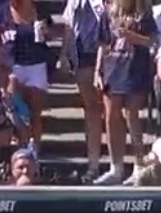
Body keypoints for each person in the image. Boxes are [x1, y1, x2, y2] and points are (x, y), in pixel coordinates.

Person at [93, 0, 157, 185]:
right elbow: (103, 44)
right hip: (112, 67)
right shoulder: (109, 12)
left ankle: (139, 164)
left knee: (132, 114)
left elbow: (152, 40)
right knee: (111, 116)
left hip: (135, 67)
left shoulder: (144, 12)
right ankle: (116, 167)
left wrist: (133, 37)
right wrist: (98, 71)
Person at [0, 0, 57, 143]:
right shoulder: (0, 13)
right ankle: (17, 147)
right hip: (10, 67)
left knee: (35, 113)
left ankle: (34, 149)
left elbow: (52, 34)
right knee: (14, 110)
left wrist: (47, 32)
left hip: (36, 65)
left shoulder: (39, 10)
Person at [61, 0, 107, 181]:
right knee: (92, 109)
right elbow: (68, 26)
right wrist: (63, 53)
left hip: (113, 58)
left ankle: (116, 165)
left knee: (114, 112)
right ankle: (93, 164)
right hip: (83, 57)